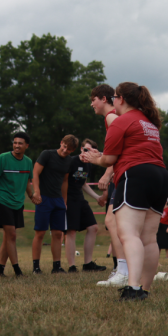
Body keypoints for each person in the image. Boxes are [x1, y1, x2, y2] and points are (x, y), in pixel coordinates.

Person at [83, 82, 168, 300]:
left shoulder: (121, 122)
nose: (112, 101)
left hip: (135, 175)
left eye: (114, 97)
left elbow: (109, 160)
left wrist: (94, 158)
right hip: (160, 175)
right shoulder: (148, 122)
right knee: (149, 238)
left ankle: (133, 288)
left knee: (129, 234)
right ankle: (144, 289)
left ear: (121, 99)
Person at [90, 84, 128, 287]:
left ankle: (123, 272)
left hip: (126, 174)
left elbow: (119, 150)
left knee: (113, 222)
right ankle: (123, 270)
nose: (91, 104)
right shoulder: (115, 116)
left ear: (104, 99)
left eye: (93, 99)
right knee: (118, 223)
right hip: (130, 173)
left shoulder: (111, 117)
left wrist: (105, 172)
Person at [0, 132, 35, 277]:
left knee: (8, 237)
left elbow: (27, 181)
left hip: (18, 202)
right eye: (15, 143)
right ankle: (17, 270)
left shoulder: (28, 162)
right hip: (2, 200)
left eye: (20, 143)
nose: (17, 146)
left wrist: (31, 196)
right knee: (12, 235)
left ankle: (0, 271)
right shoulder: (3, 158)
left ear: (27, 146)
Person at [31, 135, 78, 274]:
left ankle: (56, 266)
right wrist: (37, 192)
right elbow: (35, 172)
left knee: (58, 233)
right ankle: (36, 267)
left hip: (58, 199)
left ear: (73, 150)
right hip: (44, 198)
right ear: (61, 143)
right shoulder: (47, 154)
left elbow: (65, 181)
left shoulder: (69, 161)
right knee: (40, 232)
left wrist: (64, 200)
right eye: (64, 147)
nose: (65, 151)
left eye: (69, 150)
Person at [64, 139, 107, 273]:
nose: (87, 153)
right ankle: (72, 266)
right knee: (71, 231)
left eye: (92, 151)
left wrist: (97, 197)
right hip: (68, 198)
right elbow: (63, 181)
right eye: (86, 150)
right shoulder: (71, 161)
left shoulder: (88, 164)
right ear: (81, 149)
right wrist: (63, 201)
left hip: (79, 198)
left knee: (93, 227)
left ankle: (88, 264)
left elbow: (83, 183)